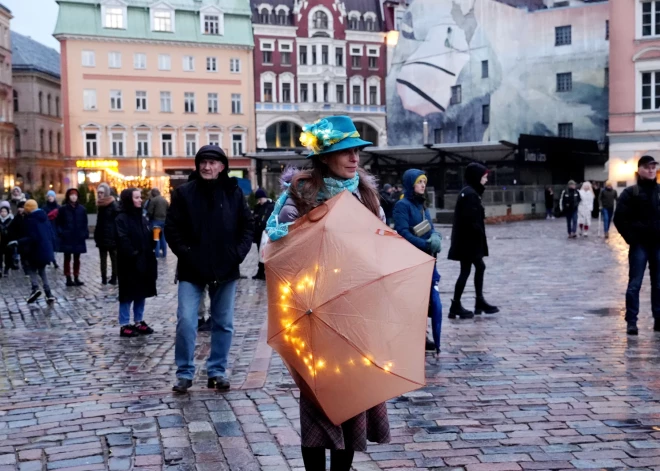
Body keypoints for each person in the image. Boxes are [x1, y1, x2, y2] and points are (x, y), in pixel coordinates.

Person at [266, 115, 390, 471]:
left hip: (356, 312)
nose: (355, 158)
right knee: (318, 407)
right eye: (345, 152)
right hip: (313, 316)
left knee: (352, 402)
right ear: (324, 157)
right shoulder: (301, 195)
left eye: (357, 151)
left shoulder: (367, 196)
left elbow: (382, 248)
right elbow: (278, 251)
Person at [166, 144, 254, 393]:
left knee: (223, 322)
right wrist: (187, 253)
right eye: (203, 162)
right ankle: (184, 372)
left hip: (225, 268)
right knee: (185, 320)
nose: (207, 166)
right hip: (191, 268)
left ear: (222, 167)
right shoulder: (184, 193)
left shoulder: (233, 192)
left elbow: (247, 226)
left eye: (213, 162)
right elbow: (172, 229)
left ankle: (217, 371)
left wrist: (237, 254)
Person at [393, 169, 443, 352]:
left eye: (424, 181)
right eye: (419, 182)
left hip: (427, 259)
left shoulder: (422, 205)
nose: (423, 185)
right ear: (410, 184)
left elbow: (430, 228)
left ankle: (424, 335)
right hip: (412, 259)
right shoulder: (402, 205)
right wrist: (425, 244)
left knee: (429, 299)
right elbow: (403, 233)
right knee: (415, 300)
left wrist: (436, 237)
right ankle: (417, 336)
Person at [614, 155, 660, 335]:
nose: (651, 170)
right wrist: (631, 238)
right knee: (635, 284)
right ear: (639, 169)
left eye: (653, 167)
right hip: (639, 245)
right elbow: (619, 218)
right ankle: (631, 321)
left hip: (658, 244)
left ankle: (658, 318)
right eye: (647, 167)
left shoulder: (659, 191)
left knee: (658, 284)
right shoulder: (630, 193)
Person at [447, 163, 499, 318]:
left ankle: (474, 302)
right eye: (484, 177)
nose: (486, 180)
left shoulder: (470, 192)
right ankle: (459, 304)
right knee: (468, 270)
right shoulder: (470, 194)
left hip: (467, 242)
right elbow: (471, 221)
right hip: (468, 243)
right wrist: (478, 238)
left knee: (475, 268)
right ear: (477, 177)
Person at [115, 188, 157, 337]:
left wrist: (154, 237)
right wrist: (133, 253)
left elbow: (145, 236)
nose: (140, 200)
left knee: (141, 291)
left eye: (140, 197)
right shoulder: (121, 218)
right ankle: (124, 324)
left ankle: (139, 320)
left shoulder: (142, 217)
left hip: (143, 260)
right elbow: (122, 239)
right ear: (129, 200)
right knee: (127, 293)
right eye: (137, 197)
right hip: (129, 262)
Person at [14, 200, 56, 304]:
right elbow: (51, 234)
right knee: (42, 270)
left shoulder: (31, 220)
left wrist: (18, 242)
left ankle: (35, 288)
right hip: (45, 249)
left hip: (35, 250)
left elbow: (32, 237)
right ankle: (48, 293)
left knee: (31, 269)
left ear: (28, 209)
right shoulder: (44, 217)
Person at [56, 188, 89, 287]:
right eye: (71, 195)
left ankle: (76, 276)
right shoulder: (63, 209)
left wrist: (84, 233)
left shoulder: (82, 209)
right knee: (67, 258)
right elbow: (58, 223)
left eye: (75, 195)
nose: (73, 197)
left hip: (78, 237)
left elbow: (84, 223)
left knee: (77, 258)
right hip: (67, 237)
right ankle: (68, 277)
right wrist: (62, 233)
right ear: (68, 196)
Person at [94, 183, 119, 285]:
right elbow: (99, 222)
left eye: (102, 193)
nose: (100, 195)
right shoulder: (100, 205)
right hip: (101, 236)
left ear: (107, 193)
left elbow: (117, 221)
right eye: (98, 193)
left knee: (114, 259)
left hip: (112, 236)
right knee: (103, 259)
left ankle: (114, 277)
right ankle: (103, 278)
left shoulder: (113, 205)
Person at [252, 188, 275, 280]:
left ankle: (267, 272)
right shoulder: (258, 207)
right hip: (259, 234)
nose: (259, 201)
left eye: (260, 199)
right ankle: (260, 272)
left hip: (267, 235)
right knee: (260, 254)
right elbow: (255, 218)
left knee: (267, 254)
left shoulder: (270, 206)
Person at [147, 188, 169, 258]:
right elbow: (168, 210)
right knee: (163, 238)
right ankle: (164, 253)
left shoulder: (153, 200)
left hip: (156, 221)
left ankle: (157, 254)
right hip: (164, 221)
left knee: (156, 238)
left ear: (153, 193)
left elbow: (150, 212)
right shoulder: (165, 200)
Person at [42, 190, 60, 268]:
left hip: (55, 227)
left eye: (52, 196)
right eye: (49, 196)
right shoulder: (44, 207)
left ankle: (52, 259)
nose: (50, 198)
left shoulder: (58, 207)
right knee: (49, 245)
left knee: (54, 245)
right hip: (47, 227)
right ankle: (52, 260)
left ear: (54, 197)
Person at [0, 201, 14, 276]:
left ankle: (6, 269)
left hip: (8, 241)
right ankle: (0, 268)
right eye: (2, 211)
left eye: (5, 211)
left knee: (8, 257)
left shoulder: (11, 220)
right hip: (0, 241)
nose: (3, 213)